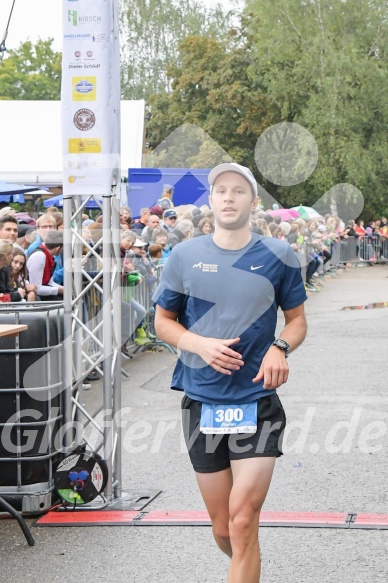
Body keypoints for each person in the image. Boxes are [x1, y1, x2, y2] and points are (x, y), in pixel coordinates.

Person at [153, 162, 307, 583]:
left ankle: (245, 557)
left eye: (238, 191)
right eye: (221, 190)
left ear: (252, 202)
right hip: (202, 402)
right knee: (225, 530)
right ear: (211, 199)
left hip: (256, 402)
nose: (228, 197)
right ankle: (247, 560)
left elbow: (297, 321)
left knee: (242, 522)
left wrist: (280, 347)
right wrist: (198, 343)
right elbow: (162, 322)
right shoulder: (185, 255)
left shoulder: (278, 255)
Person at [27, 230, 64, 300]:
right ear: (58, 248)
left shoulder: (50, 256)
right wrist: (58, 290)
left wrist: (63, 289)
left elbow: (50, 282)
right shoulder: (39, 256)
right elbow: (36, 288)